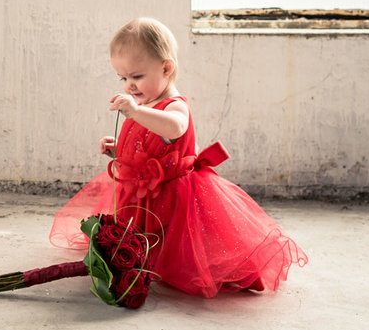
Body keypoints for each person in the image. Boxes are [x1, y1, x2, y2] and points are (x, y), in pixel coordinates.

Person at [49, 17, 306, 298]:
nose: (129, 86)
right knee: (142, 239)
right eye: (123, 78)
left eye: (136, 77)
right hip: (140, 195)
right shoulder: (146, 103)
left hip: (173, 195)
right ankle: (146, 261)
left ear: (166, 68)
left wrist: (134, 112)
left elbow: (174, 128)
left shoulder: (174, 106)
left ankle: (216, 270)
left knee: (176, 240)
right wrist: (118, 148)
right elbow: (148, 144)